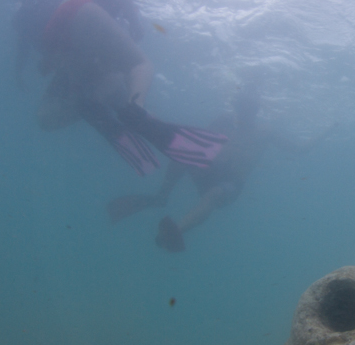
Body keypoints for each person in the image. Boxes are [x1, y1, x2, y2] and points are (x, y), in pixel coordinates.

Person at [10, 0, 225, 175]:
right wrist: (134, 21)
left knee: (47, 118)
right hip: (77, 9)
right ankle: (137, 110)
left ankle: (91, 108)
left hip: (58, 44)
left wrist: (18, 71)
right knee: (139, 65)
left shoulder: (26, 11)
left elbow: (30, 47)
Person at [107, 89, 335, 252]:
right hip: (209, 171)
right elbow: (193, 142)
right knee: (181, 156)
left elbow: (300, 149)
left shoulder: (266, 131)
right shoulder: (224, 120)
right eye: (240, 106)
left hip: (231, 184)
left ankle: (176, 230)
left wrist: (327, 130)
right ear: (236, 106)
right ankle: (161, 197)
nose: (244, 111)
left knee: (214, 194)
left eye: (248, 108)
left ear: (255, 110)